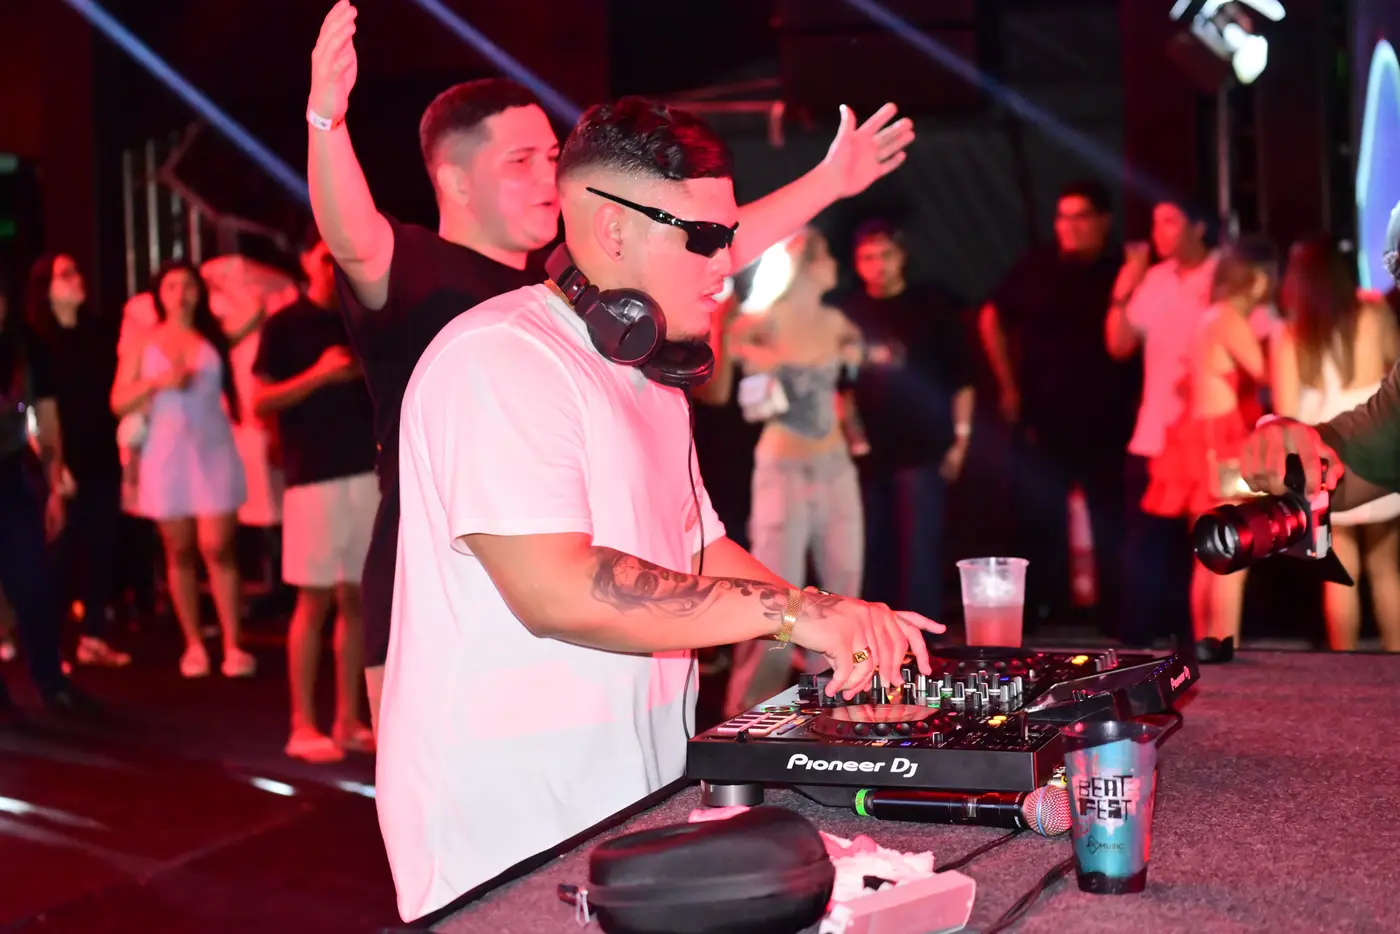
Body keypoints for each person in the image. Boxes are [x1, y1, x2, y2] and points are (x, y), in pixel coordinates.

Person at [376, 97, 942, 922]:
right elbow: (557, 590)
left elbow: (696, 548)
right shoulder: (501, 358)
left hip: (630, 801)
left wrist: (836, 618)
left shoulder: (651, 377)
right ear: (612, 230)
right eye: (706, 239)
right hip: (507, 827)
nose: (728, 264)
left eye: (729, 236)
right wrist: (795, 615)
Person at [306, 0, 916, 733]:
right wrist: (326, 122)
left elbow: (696, 244)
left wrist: (829, 181)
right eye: (521, 160)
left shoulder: (594, 304)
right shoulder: (433, 286)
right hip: (451, 598)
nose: (546, 172)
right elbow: (351, 234)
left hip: (579, 659)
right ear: (456, 182)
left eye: (552, 156)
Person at [979, 181, 1136, 631]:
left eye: (1079, 217)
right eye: (1062, 217)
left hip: (1107, 416)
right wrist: (1008, 385)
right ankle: (1042, 610)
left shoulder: (1119, 268)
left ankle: (1117, 614)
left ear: (1103, 221)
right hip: (1045, 415)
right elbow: (992, 315)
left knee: (1111, 516)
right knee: (1039, 515)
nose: (1068, 226)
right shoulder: (1039, 266)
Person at [721, 228, 865, 716]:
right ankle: (750, 716)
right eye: (827, 257)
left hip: (835, 465)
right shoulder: (757, 323)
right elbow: (729, 368)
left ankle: (839, 707)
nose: (835, 267)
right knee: (777, 601)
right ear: (804, 264)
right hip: (784, 466)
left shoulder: (837, 322)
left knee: (845, 588)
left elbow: (855, 376)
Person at [252, 231, 379, 761]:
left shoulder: (360, 316)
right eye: (325, 256)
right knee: (314, 601)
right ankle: (302, 724)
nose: (333, 266)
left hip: (366, 474)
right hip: (313, 479)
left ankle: (348, 720)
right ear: (306, 261)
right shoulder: (284, 325)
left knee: (357, 600)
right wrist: (318, 376)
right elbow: (259, 401)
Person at [1250, 233, 1400, 651]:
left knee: (1339, 572)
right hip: (1379, 445)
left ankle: (1343, 670)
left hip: (1327, 455)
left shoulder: (1290, 332)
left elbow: (1285, 412)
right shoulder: (1373, 312)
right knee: (1387, 569)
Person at [110, 262, 254, 679]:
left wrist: (225, 280)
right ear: (158, 293)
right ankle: (194, 644)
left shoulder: (213, 336)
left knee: (218, 546)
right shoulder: (144, 341)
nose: (181, 293)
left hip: (212, 448)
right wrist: (158, 383)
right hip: (166, 453)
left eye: (189, 285)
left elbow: (256, 312)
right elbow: (117, 400)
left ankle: (233, 644)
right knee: (180, 550)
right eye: (171, 285)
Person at [1140, 237, 1277, 658]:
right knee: (1232, 552)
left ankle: (1208, 646)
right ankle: (1223, 647)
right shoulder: (1230, 320)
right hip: (1222, 441)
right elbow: (1268, 373)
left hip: (1198, 441)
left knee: (1209, 556)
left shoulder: (1209, 317)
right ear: (1258, 279)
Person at [841, 221, 972, 624]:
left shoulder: (930, 307)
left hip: (922, 449)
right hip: (869, 455)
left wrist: (961, 441)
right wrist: (853, 437)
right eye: (868, 257)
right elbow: (840, 387)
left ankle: (923, 640)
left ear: (902, 257)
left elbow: (962, 380)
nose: (878, 265)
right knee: (872, 552)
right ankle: (875, 639)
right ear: (857, 263)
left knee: (920, 554)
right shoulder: (848, 313)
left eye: (886, 255)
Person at [1103, 200, 1217, 649]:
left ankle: (1205, 640)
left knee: (1206, 546)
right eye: (1155, 223)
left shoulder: (1221, 275)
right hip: (1153, 434)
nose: (1159, 232)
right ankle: (1135, 647)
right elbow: (1118, 345)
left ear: (1199, 226)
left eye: (1170, 221)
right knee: (1144, 546)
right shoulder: (1156, 278)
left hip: (1206, 435)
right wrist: (1123, 289)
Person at [25, 253, 130, 667]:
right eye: (65, 274)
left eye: (76, 271)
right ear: (46, 288)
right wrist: (54, 465)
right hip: (59, 460)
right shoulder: (36, 341)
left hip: (101, 454)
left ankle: (93, 637)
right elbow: (33, 411)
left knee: (101, 547)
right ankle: (46, 646)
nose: (77, 279)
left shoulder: (98, 334)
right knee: (58, 554)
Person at [0, 273, 97, 715]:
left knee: (34, 582)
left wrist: (55, 485)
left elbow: (47, 416)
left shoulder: (24, 346)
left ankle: (51, 680)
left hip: (10, 476)